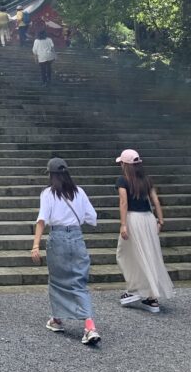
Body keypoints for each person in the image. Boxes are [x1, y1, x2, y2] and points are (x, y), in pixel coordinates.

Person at [31, 157, 101, 345]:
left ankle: (74, 322)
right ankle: (73, 321)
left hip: (58, 238)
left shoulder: (48, 194)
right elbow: (92, 218)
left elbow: (42, 220)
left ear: (51, 175)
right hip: (77, 238)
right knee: (78, 280)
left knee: (57, 281)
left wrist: (35, 245)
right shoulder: (79, 192)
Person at [115, 148, 175, 313]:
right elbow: (155, 200)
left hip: (133, 219)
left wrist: (123, 224)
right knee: (149, 254)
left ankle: (134, 289)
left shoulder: (123, 180)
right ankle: (151, 297)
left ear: (125, 164)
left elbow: (123, 203)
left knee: (125, 254)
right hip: (148, 219)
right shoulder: (147, 180)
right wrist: (160, 220)